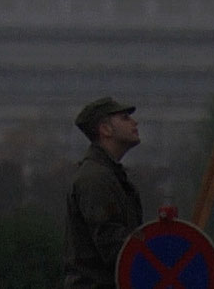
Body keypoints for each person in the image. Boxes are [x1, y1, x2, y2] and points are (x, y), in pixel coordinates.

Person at [63, 97, 144, 289]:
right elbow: (112, 242)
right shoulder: (95, 178)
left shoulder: (107, 175)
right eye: (125, 118)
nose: (135, 122)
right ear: (105, 129)